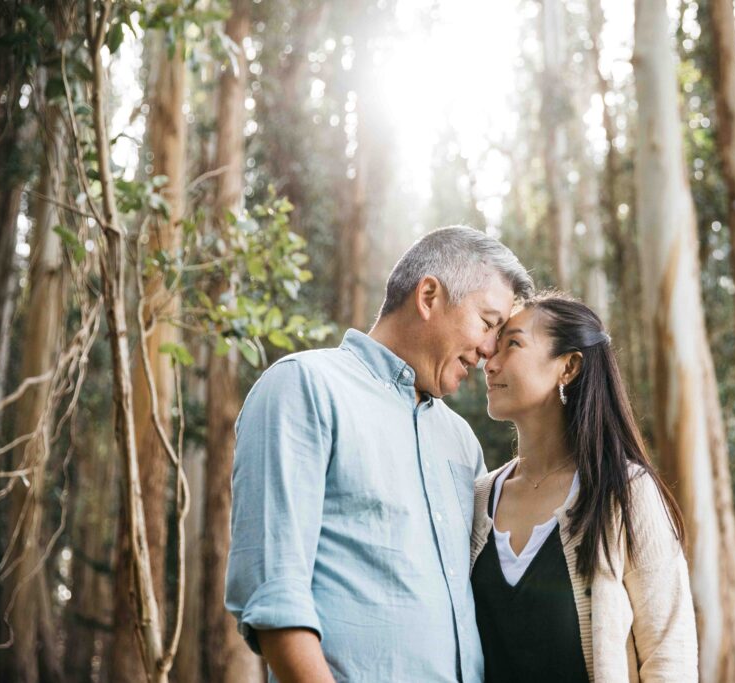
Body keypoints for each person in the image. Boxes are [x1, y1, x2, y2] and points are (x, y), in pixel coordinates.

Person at [225, 226, 534, 683]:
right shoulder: (305, 387)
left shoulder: (461, 441)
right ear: (428, 295)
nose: (490, 352)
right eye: (488, 324)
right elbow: (275, 598)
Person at [471, 293, 698, 682]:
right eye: (493, 347)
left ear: (569, 367)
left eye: (513, 344)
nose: (489, 363)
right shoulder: (478, 499)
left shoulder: (625, 492)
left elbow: (668, 653)